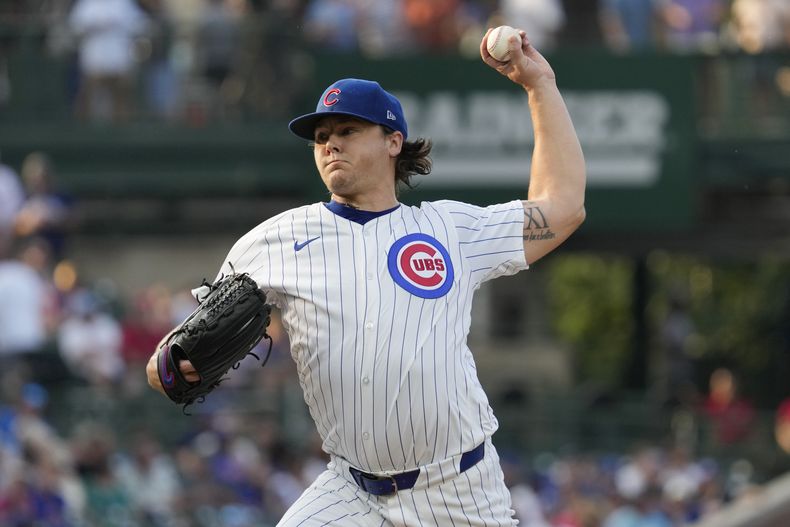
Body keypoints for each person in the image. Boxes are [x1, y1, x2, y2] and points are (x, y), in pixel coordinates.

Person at [147, 25, 586, 525]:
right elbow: (170, 359)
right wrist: (170, 366)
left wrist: (539, 85)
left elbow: (563, 207)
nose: (331, 145)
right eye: (321, 137)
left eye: (347, 131)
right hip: (352, 491)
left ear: (393, 141)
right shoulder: (273, 241)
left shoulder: (449, 230)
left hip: (458, 490)